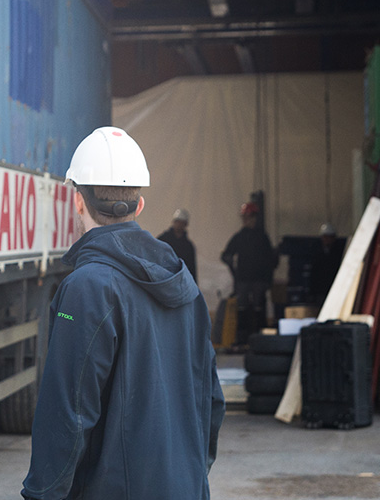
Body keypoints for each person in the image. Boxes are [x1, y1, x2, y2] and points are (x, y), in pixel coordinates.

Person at [21, 127, 224, 500]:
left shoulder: (86, 288)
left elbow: (68, 412)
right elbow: (211, 399)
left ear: (78, 201)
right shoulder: (186, 287)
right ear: (140, 205)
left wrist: (42, 493)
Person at [220, 202, 277, 345]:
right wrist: (235, 273)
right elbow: (226, 255)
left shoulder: (262, 237)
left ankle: (260, 339)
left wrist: (267, 279)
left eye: (249, 217)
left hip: (258, 280)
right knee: (242, 309)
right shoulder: (240, 236)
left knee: (259, 309)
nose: (247, 220)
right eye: (245, 217)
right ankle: (242, 340)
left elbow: (271, 259)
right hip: (244, 280)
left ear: (255, 218)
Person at [158, 208, 198, 282]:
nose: (179, 225)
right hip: (163, 281)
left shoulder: (188, 246)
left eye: (182, 222)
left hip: (180, 282)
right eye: (178, 222)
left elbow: (192, 269)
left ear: (186, 224)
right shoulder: (162, 240)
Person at [309, 222, 344, 303]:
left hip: (334, 288)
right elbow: (314, 273)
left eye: (330, 237)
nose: (327, 240)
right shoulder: (316, 253)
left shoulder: (338, 253)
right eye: (325, 237)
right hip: (320, 289)